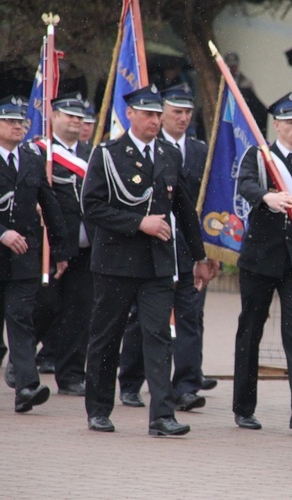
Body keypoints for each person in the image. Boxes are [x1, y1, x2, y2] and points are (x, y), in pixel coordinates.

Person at [82, 84, 214, 435]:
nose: (154, 120)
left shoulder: (169, 154)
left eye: (158, 114)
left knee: (158, 335)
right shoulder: (108, 153)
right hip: (116, 263)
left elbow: (184, 210)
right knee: (106, 336)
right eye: (148, 114)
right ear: (130, 115)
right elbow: (92, 207)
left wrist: (199, 256)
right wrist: (139, 223)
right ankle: (98, 409)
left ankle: (162, 416)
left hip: (158, 264)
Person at [117, 83, 218, 412]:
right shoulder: (149, 147)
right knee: (145, 320)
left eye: (189, 112)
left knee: (190, 316)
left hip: (188, 247)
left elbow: (207, 202)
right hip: (152, 247)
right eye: (176, 112)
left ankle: (186, 385)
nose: (183, 118)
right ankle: (131, 381)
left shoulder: (203, 150)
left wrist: (208, 250)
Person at [0, 96, 68, 412]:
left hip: (23, 256)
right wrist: (1, 233)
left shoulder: (33, 158)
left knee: (21, 319)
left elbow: (49, 203)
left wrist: (61, 249)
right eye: (10, 121)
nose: (17, 126)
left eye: (21, 121)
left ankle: (26, 387)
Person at [233, 92, 292, 431]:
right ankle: (243, 406)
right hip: (260, 258)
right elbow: (244, 185)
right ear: (276, 125)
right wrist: (266, 196)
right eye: (290, 123)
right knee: (250, 330)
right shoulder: (259, 156)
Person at [29, 93, 94, 397]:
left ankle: (70, 375)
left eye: (80, 117)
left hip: (86, 247)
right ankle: (25, 360)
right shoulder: (39, 153)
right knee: (45, 306)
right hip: (51, 246)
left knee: (79, 313)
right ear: (53, 117)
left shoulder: (91, 154)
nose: (75, 121)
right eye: (69, 115)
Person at [225, 52, 267, 136]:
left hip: (242, 120)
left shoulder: (246, 83)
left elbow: (254, 104)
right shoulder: (220, 82)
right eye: (229, 66)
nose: (232, 69)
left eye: (234, 66)